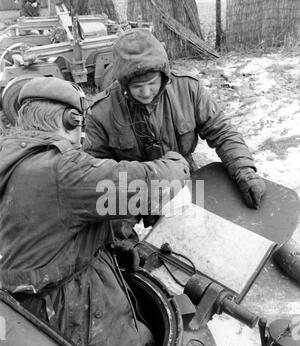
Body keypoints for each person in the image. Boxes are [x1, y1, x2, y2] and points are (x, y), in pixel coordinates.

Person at [0, 76, 189, 346]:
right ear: (69, 120)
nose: (81, 139)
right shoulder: (59, 167)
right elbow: (146, 186)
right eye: (79, 129)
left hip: (24, 316)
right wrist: (178, 163)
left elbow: (53, 222)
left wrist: (114, 241)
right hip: (69, 312)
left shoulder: (12, 155)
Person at [84, 29, 266, 217]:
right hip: (136, 190)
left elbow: (222, 131)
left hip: (186, 177)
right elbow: (96, 172)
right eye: (137, 87)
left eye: (152, 83)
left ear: (163, 75)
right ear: (123, 83)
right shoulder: (102, 111)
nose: (146, 92)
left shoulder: (188, 89)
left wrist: (245, 171)